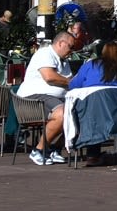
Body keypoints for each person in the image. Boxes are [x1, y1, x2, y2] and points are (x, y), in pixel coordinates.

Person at [17, 31, 76, 165]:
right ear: (61, 43)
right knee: (62, 113)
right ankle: (38, 150)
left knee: (78, 110)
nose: (72, 51)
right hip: (33, 99)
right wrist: (72, 82)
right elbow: (50, 77)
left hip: (54, 99)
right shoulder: (45, 54)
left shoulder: (64, 61)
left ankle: (54, 149)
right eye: (70, 47)